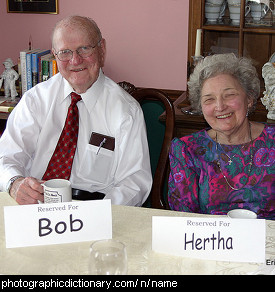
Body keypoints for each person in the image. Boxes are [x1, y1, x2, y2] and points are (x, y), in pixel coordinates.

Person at [0, 15, 152, 206]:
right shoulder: (35, 100)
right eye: (65, 52)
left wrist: (99, 215)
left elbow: (134, 182)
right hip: (34, 205)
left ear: (102, 50)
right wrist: (14, 183)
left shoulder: (126, 111)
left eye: (84, 49)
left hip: (95, 209)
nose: (75, 60)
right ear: (55, 55)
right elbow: (5, 156)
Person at [168, 53, 275, 219]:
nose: (220, 106)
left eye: (229, 95)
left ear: (249, 99)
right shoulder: (187, 150)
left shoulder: (273, 142)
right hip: (209, 241)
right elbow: (182, 218)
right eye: (209, 99)